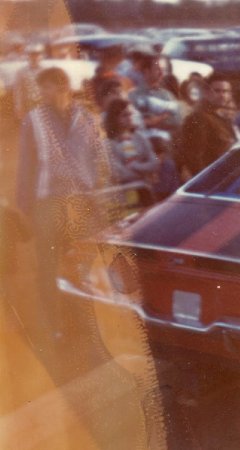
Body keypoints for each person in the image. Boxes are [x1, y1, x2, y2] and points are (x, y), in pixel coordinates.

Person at [16, 67, 111, 337]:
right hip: (48, 205)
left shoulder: (88, 118)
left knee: (82, 265)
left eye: (46, 87)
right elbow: (25, 170)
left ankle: (82, 323)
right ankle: (52, 326)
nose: (42, 93)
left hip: (82, 205)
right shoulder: (32, 120)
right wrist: (24, 214)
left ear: (62, 87)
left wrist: (100, 202)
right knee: (47, 268)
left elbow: (99, 162)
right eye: (40, 88)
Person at [177, 74, 236, 178]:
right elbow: (194, 158)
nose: (222, 95)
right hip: (213, 182)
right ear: (206, 93)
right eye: (217, 91)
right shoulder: (199, 118)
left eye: (225, 91)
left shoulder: (222, 118)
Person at [104, 98, 159, 185]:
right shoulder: (108, 143)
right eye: (125, 115)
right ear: (114, 118)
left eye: (130, 114)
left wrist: (135, 166)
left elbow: (154, 163)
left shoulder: (139, 137)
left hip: (145, 186)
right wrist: (144, 174)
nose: (129, 118)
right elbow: (119, 173)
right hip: (124, 189)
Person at [13, 43, 44, 122]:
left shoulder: (46, 71)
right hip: (28, 105)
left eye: (37, 55)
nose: (35, 57)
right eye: (32, 55)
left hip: (44, 105)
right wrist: (18, 106)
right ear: (28, 56)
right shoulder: (21, 72)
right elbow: (18, 91)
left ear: (41, 56)